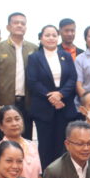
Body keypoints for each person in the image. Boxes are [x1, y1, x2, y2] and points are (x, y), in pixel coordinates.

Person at [27, 24, 78, 166]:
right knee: (45, 146)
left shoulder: (66, 56)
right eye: (47, 35)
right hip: (43, 108)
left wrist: (60, 94)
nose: (51, 38)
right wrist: (52, 97)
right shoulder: (34, 58)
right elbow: (33, 81)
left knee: (63, 144)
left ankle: (62, 175)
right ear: (41, 38)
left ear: (58, 37)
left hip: (64, 107)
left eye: (54, 35)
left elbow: (72, 78)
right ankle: (46, 175)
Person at [0, 12, 39, 141]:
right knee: (4, 142)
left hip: (27, 104)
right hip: (3, 104)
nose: (19, 25)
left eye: (23, 23)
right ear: (8, 27)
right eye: (16, 23)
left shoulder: (34, 49)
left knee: (25, 141)